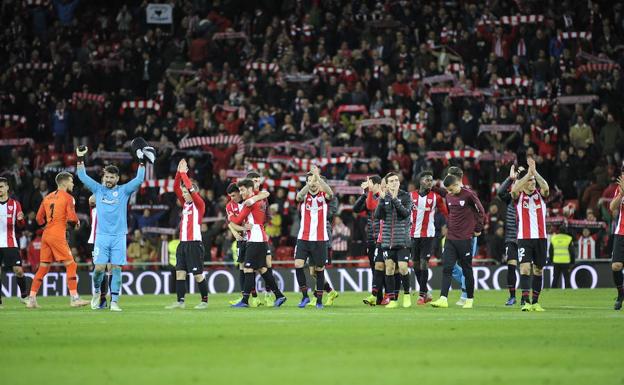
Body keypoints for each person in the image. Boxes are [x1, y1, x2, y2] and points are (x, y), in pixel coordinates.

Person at [76, 146, 146, 312]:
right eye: (106, 176)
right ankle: (96, 292)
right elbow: (82, 176)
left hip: (119, 237)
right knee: (99, 269)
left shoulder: (123, 191)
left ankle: (114, 301)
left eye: (112, 177)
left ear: (117, 178)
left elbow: (139, 180)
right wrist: (80, 158)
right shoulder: (98, 189)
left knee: (116, 269)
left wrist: (142, 161)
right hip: (101, 236)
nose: (108, 179)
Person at [27, 172, 89, 308]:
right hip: (57, 234)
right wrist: (76, 222)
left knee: (43, 267)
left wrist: (47, 226)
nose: (73, 184)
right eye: (71, 181)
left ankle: (31, 299)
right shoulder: (68, 198)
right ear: (65, 182)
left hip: (46, 234)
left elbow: (38, 218)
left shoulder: (47, 197)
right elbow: (72, 217)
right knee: (71, 265)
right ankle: (74, 298)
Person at [228, 179, 286, 308]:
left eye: (242, 190)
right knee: (262, 269)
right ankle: (279, 295)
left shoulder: (249, 202)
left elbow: (237, 220)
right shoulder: (257, 200)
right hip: (259, 237)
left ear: (249, 189)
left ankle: (244, 300)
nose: (241, 193)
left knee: (248, 268)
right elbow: (265, 194)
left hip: (255, 238)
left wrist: (230, 218)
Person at [431, 173, 484, 309]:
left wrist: (478, 228)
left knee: (467, 269)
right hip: (451, 239)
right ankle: (443, 298)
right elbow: (451, 211)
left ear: (457, 184)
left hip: (465, 239)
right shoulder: (449, 196)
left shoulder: (469, 195)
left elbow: (481, 211)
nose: (449, 192)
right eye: (447, 190)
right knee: (447, 268)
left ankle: (469, 299)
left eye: (451, 189)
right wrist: (433, 187)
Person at [165, 159, 210, 309]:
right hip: (182, 244)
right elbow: (175, 187)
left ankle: (204, 301)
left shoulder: (199, 205)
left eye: (186, 192)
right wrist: (178, 173)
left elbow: (189, 187)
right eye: (183, 193)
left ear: (193, 193)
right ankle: (180, 301)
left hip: (194, 244)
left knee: (198, 275)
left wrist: (185, 174)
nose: (183, 195)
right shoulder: (186, 204)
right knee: (180, 274)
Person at [510, 157, 550, 312]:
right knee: (525, 268)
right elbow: (514, 190)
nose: (533, 183)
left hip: (541, 238)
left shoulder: (542, 195)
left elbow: (545, 187)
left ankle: (535, 302)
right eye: (530, 181)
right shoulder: (519, 197)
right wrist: (527, 175)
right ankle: (526, 301)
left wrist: (534, 172)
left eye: (534, 181)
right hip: (524, 238)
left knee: (538, 270)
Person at [293, 166, 334, 309]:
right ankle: (304, 296)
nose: (313, 183)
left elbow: (331, 193)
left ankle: (319, 301)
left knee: (319, 269)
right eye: (309, 181)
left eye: (315, 181)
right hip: (303, 238)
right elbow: (298, 196)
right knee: (298, 264)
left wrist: (318, 177)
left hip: (320, 239)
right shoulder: (304, 197)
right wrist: (310, 182)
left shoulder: (324, 197)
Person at [374, 172, 412, 308]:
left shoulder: (406, 196)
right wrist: (382, 201)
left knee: (402, 268)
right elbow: (378, 215)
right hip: (387, 241)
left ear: (399, 182)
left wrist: (394, 198)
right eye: (391, 181)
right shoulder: (385, 197)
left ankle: (407, 294)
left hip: (402, 240)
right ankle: (393, 300)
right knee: (389, 269)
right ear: (387, 184)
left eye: (396, 180)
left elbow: (405, 214)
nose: (395, 182)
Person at [410, 170, 448, 305]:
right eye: (427, 180)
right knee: (415, 263)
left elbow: (446, 212)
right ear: (421, 181)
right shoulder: (411, 196)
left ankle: (421, 295)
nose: (429, 182)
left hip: (428, 234)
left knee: (423, 262)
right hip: (414, 234)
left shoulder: (435, 197)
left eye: (431, 180)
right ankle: (426, 292)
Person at [225, 183, 261, 307]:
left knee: (253, 268)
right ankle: (244, 297)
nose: (232, 198)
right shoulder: (230, 205)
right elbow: (230, 222)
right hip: (242, 240)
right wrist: (236, 231)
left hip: (253, 239)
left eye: (234, 195)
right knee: (242, 267)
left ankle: (258, 296)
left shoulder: (248, 201)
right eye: (230, 196)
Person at [354, 175, 385, 306]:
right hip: (371, 239)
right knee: (374, 268)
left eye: (370, 183)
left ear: (377, 184)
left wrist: (370, 192)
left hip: (383, 238)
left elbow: (372, 206)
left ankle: (389, 295)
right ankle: (379, 297)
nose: (368, 185)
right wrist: (364, 193)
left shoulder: (381, 197)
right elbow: (356, 209)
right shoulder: (369, 196)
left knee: (383, 268)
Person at [497, 165, 524, 306]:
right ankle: (512, 296)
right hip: (511, 239)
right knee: (511, 266)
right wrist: (510, 178)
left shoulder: (526, 198)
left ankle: (525, 296)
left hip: (525, 237)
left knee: (526, 268)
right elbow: (499, 192)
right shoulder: (509, 199)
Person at [0, 177, 29, 307]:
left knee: (18, 270)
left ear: (7, 188)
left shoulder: (15, 204)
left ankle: (24, 296)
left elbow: (21, 225)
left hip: (10, 243)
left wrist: (21, 219)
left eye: (1, 186)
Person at [87, 194, 110, 309]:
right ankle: (98, 294)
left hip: (110, 240)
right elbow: (91, 200)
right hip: (95, 241)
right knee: (99, 271)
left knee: (110, 270)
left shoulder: (112, 206)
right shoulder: (95, 206)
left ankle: (106, 299)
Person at [608, 170, 624, 310]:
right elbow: (612, 207)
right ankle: (620, 294)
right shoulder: (620, 189)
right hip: (621, 232)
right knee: (616, 266)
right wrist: (621, 194)